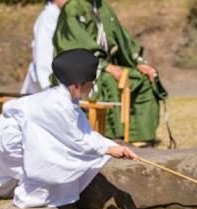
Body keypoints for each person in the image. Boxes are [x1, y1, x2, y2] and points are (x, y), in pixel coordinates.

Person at [0, 49, 139, 209]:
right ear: (77, 85)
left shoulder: (65, 98)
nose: (93, 87)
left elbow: (84, 133)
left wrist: (113, 147)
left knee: (3, 182)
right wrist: (108, 148)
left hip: (13, 137)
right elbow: (77, 141)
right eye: (91, 83)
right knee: (53, 170)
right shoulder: (59, 105)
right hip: (12, 141)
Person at [53, 0, 168, 145]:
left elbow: (122, 38)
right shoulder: (72, 7)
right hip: (83, 69)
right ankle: (113, 137)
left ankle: (140, 138)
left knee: (143, 78)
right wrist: (104, 65)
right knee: (108, 80)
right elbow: (73, 44)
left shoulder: (102, 6)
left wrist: (139, 63)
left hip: (109, 65)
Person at [21, 0, 68, 94]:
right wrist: (51, 89)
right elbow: (43, 57)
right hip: (44, 90)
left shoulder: (69, 17)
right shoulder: (48, 17)